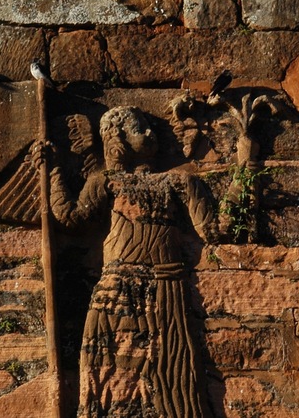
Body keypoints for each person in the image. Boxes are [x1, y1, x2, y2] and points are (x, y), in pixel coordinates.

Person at [47, 106, 213, 417]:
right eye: (140, 128)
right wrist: (54, 170)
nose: (150, 133)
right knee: (107, 375)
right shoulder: (106, 181)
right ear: (118, 139)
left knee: (170, 379)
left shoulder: (179, 181)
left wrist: (248, 156)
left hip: (165, 288)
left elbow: (215, 230)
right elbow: (70, 217)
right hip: (117, 289)